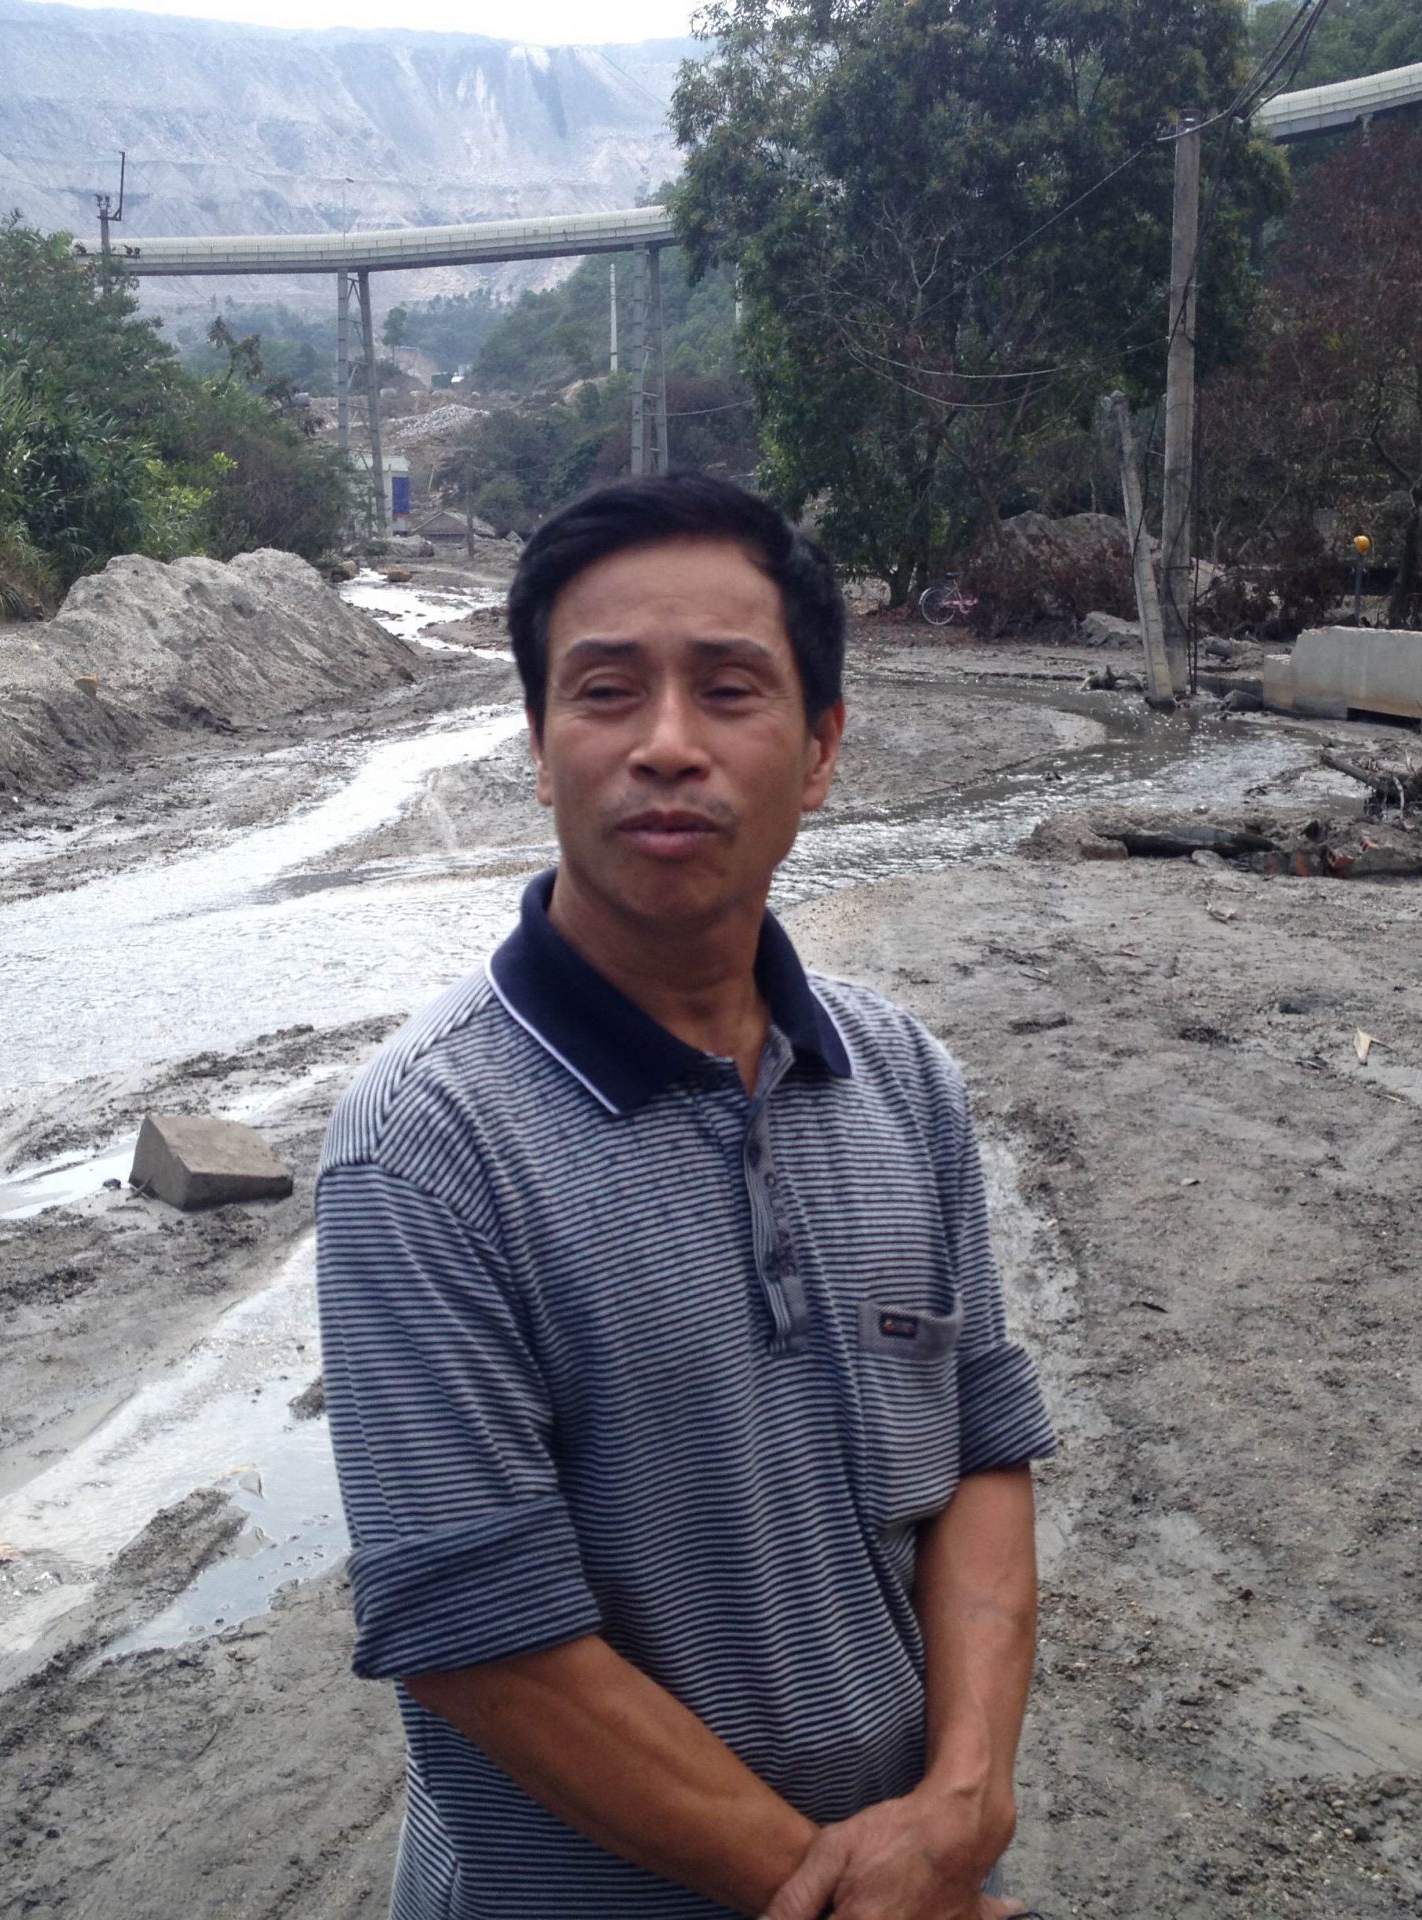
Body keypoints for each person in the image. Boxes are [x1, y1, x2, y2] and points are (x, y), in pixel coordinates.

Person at [317, 474, 1056, 1919]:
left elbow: (979, 1448)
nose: (666, 746)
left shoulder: (902, 1078)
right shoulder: (423, 1148)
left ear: (823, 749)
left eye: (729, 690)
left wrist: (964, 1796)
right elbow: (481, 1637)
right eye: (605, 693)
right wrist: (860, 1900)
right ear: (538, 745)